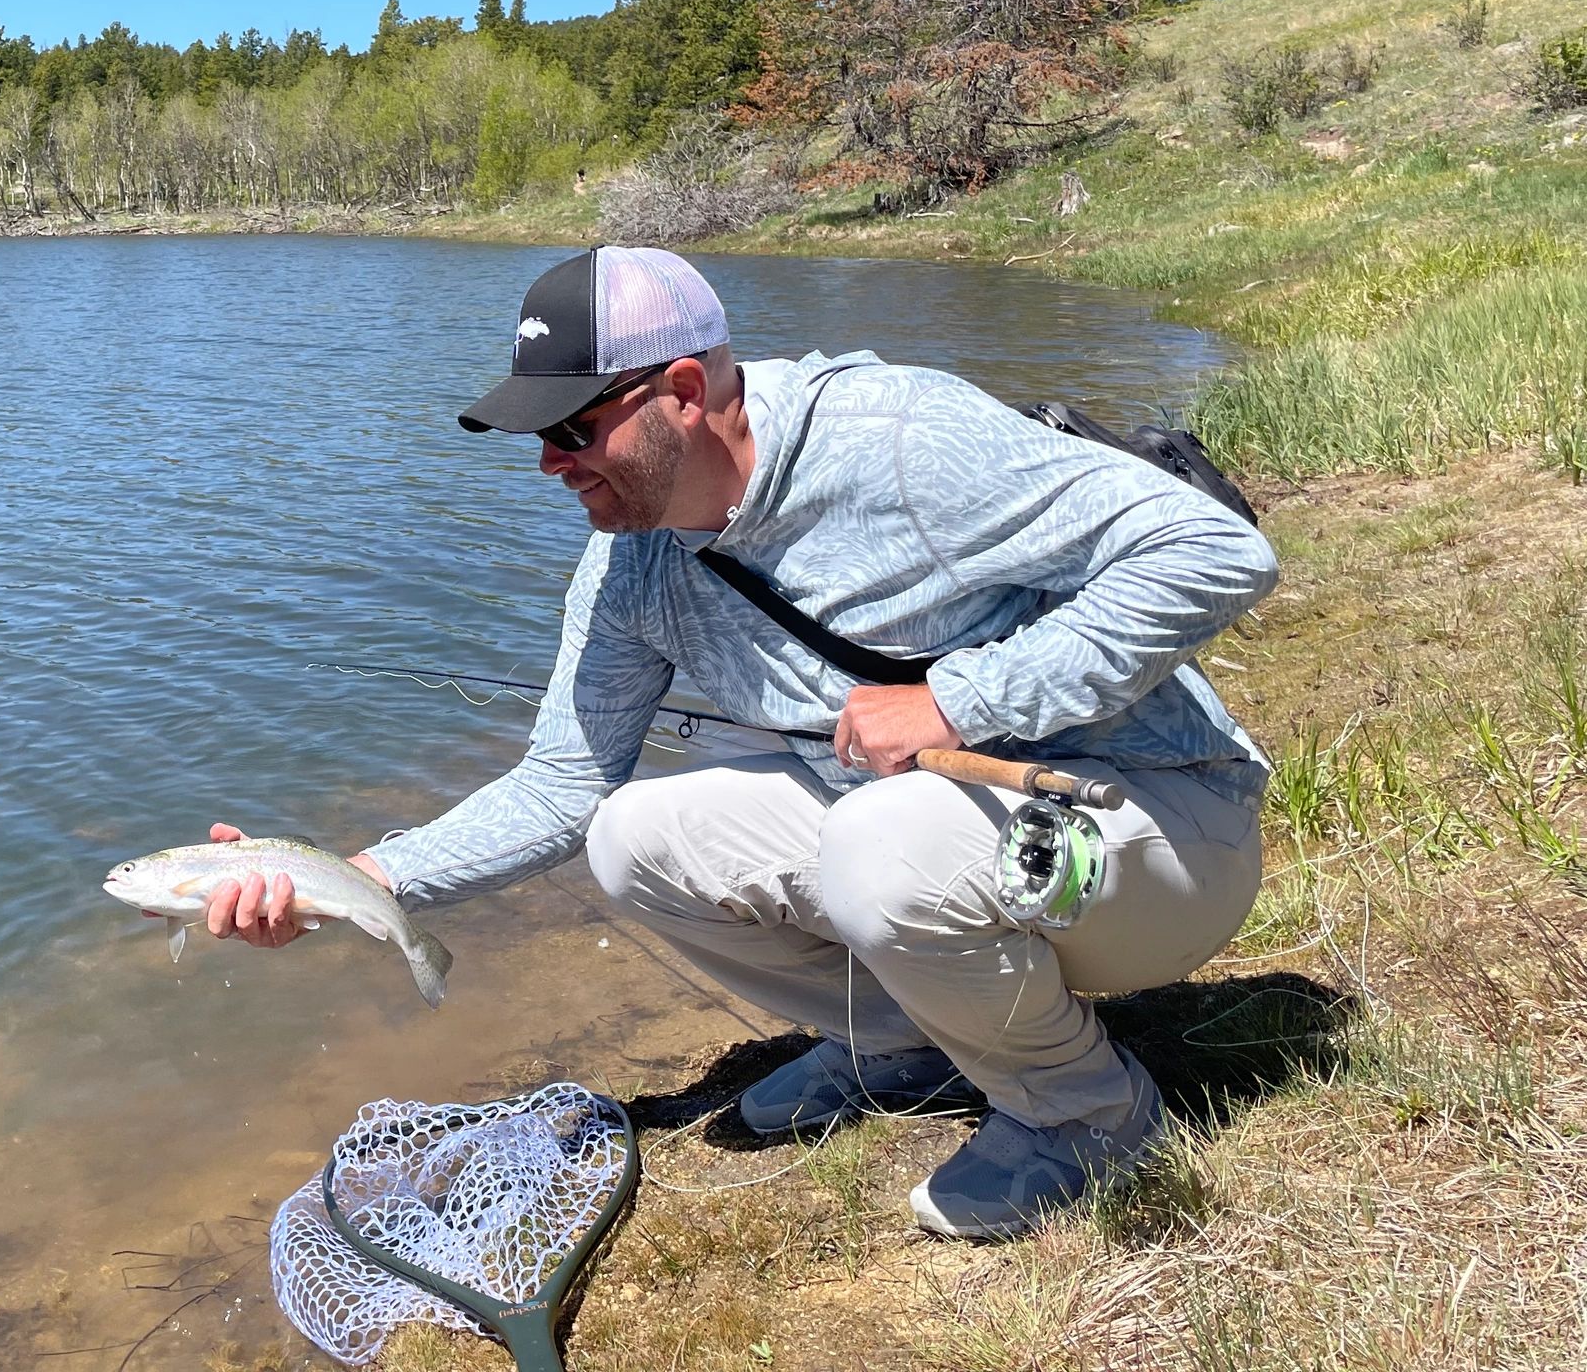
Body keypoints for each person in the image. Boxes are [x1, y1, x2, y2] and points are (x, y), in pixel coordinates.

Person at [206, 244, 1277, 1239]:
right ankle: (906, 1046)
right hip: (952, 839)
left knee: (879, 840)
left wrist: (955, 699)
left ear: (681, 389)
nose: (547, 463)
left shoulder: (900, 441)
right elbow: (560, 785)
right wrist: (358, 881)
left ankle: (1087, 1114)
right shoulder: (632, 564)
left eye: (572, 429)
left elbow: (1213, 551)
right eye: (534, 435)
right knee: (631, 835)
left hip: (1164, 829)